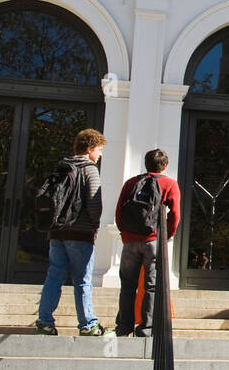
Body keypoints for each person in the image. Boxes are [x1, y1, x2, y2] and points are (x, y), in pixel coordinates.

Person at [36, 128, 108, 336]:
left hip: (57, 232)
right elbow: (95, 205)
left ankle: (45, 321)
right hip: (80, 233)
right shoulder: (90, 170)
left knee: (54, 275)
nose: (100, 154)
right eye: (100, 149)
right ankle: (88, 324)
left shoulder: (62, 167)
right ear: (91, 148)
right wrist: (94, 226)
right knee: (83, 279)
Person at [115, 148, 182, 338]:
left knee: (127, 285)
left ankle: (123, 327)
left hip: (130, 240)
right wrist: (166, 235)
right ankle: (146, 328)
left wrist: (124, 232)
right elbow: (175, 214)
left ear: (145, 163)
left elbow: (120, 209)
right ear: (165, 165)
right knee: (151, 285)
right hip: (152, 240)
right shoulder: (169, 184)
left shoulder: (131, 183)